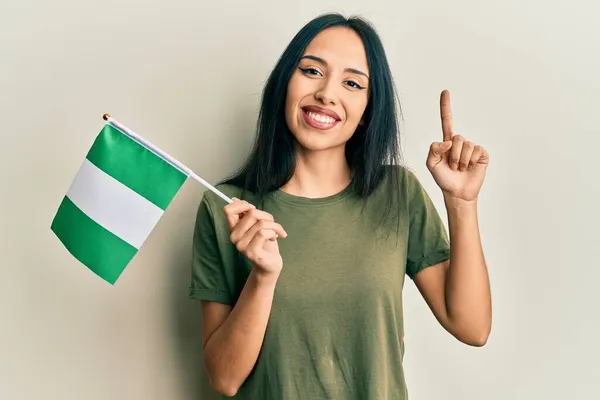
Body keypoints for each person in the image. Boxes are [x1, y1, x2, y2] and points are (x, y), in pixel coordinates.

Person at [188, 12, 492, 400]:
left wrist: (461, 202)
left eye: (352, 82)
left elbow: (473, 327)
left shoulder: (397, 193)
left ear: (368, 110)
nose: (327, 93)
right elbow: (224, 379)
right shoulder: (228, 208)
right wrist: (262, 278)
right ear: (285, 84)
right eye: (312, 71)